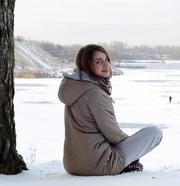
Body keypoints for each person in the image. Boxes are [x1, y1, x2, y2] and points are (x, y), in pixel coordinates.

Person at [58, 44, 163, 176]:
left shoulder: (75, 88)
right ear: (86, 66)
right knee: (154, 132)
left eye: (107, 60)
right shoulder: (95, 94)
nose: (106, 65)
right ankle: (126, 164)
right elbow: (113, 135)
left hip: (71, 164)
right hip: (99, 164)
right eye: (98, 62)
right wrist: (132, 152)